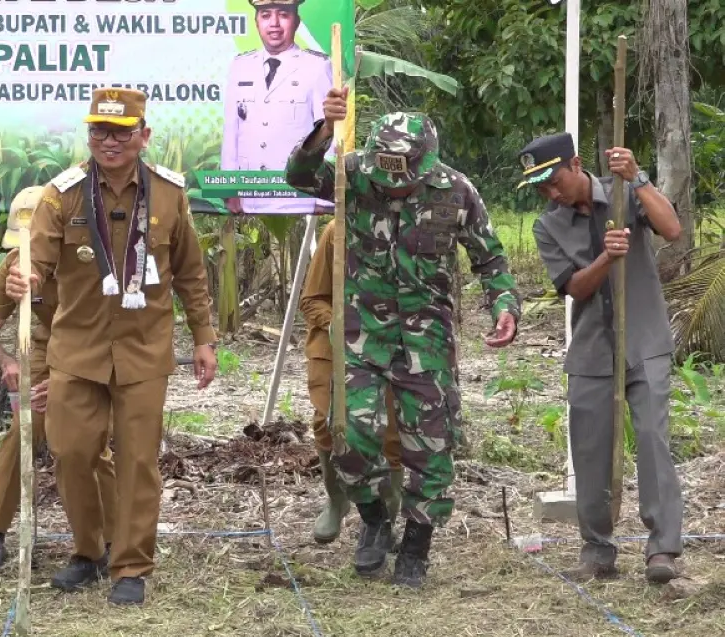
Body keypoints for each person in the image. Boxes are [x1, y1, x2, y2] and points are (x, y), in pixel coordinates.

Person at [285, 86, 521, 587]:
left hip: (425, 339)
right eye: (384, 170)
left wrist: (504, 305)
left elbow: (491, 259)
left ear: (425, 163)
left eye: (403, 174)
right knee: (346, 435)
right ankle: (374, 520)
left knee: (430, 447)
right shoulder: (353, 176)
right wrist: (324, 130)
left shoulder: (456, 191)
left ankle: (416, 545)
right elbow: (299, 176)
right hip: (361, 336)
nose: (391, 183)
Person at [6, 88, 219, 606]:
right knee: (72, 450)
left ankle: (131, 565)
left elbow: (190, 271)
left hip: (144, 349)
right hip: (77, 347)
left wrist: (205, 337)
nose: (109, 142)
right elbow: (39, 257)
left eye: (121, 132)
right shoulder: (64, 193)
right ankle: (89, 550)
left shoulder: (169, 194)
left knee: (139, 460)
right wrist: (25, 275)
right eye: (99, 131)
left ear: (143, 136)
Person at [517, 132, 684, 584]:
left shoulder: (623, 192)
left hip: (645, 342)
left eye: (553, 181)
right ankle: (597, 547)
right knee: (591, 453)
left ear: (575, 164)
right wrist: (607, 259)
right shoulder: (547, 225)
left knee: (652, 442)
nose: (549, 193)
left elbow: (672, 230)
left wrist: (638, 178)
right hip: (591, 350)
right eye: (540, 188)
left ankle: (663, 548)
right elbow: (574, 288)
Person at [0, 185, 118, 574]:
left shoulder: (91, 263)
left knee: (89, 442)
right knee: (23, 427)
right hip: (42, 349)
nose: (27, 253)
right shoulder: (14, 266)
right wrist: (6, 363)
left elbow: (112, 330)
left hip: (96, 352)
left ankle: (114, 541)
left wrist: (68, 379)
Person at [298, 219, 402, 543]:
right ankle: (336, 499)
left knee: (390, 431)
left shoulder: (412, 228)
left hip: (390, 348)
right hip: (337, 346)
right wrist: (341, 322)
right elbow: (311, 298)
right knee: (327, 423)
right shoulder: (336, 231)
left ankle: (386, 516)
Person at [221, 0, 333, 215]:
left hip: (298, 196)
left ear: (296, 21)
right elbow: (232, 131)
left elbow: (329, 131)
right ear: (256, 22)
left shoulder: (317, 67)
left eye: (283, 14)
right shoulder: (240, 66)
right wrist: (229, 188)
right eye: (265, 15)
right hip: (250, 194)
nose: (274, 24)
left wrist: (324, 197)